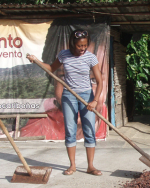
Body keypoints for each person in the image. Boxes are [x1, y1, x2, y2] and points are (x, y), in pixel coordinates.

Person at [28, 30, 103, 176]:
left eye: (85, 45)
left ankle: (90, 166)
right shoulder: (64, 55)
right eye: (79, 46)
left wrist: (94, 101)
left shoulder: (91, 57)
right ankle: (72, 166)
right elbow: (51, 68)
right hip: (69, 95)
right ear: (72, 44)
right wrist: (36, 61)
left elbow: (100, 82)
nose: (82, 48)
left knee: (89, 130)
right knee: (70, 130)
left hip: (87, 96)